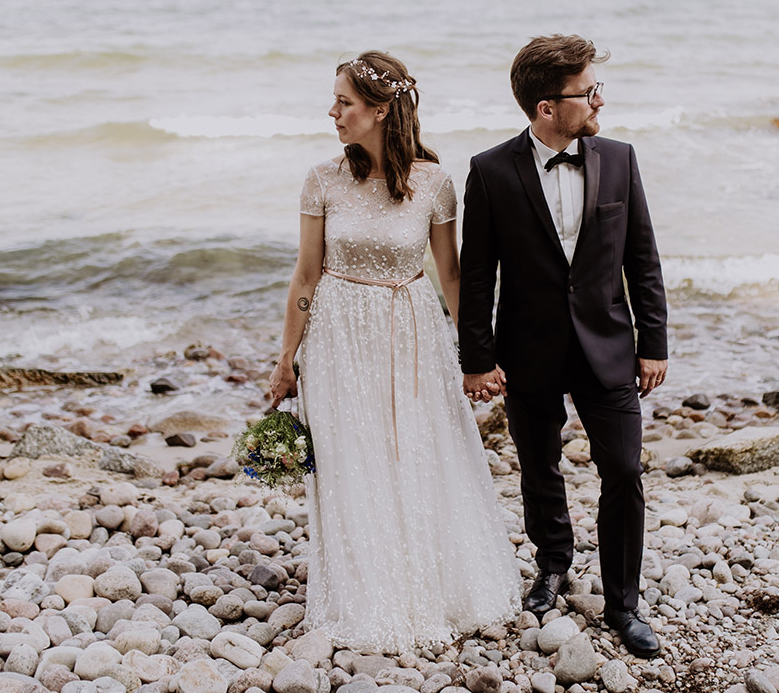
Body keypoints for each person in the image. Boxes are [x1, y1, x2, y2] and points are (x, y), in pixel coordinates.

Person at [268, 51, 520, 654]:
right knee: (348, 458)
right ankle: (361, 591)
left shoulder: (433, 181)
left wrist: (476, 355)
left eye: (344, 102)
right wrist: (285, 361)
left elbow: (452, 275)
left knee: (416, 453)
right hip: (336, 337)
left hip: (411, 334)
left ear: (381, 111)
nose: (332, 112)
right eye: (334, 100)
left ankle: (428, 584)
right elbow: (305, 277)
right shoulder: (322, 178)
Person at [458, 35, 668, 659]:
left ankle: (623, 603)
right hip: (529, 349)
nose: (600, 98)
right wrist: (478, 357)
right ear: (548, 106)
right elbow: (477, 274)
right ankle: (553, 564)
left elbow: (643, 259)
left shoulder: (621, 159)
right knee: (539, 467)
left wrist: (653, 342)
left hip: (609, 346)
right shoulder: (490, 171)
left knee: (625, 472)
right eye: (588, 90)